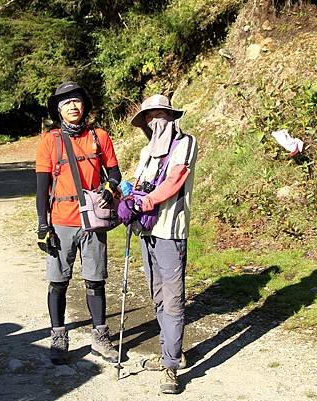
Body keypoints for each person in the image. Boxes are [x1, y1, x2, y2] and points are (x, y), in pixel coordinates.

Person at [35, 81, 121, 365]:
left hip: (93, 220)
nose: (72, 106)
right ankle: (59, 337)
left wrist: (110, 187)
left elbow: (115, 173)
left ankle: (100, 336)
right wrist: (42, 224)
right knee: (58, 282)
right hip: (61, 221)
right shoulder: (50, 141)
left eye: (76, 101)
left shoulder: (100, 137)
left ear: (84, 105)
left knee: (96, 280)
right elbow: (41, 187)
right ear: (58, 109)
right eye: (66, 102)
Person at [119, 94, 197, 394]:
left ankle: (171, 366)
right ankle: (170, 351)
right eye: (149, 117)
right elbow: (138, 185)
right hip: (147, 231)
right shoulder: (145, 152)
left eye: (160, 114)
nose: (155, 121)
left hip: (171, 232)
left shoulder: (185, 144)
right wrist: (127, 196)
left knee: (174, 298)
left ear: (170, 115)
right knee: (158, 295)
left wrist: (146, 201)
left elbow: (175, 180)